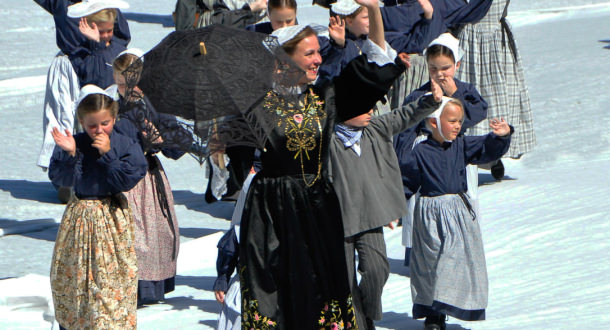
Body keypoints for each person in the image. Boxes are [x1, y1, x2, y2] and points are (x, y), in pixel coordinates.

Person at [238, 0, 394, 326]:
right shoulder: (255, 104)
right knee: (275, 296)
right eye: (309, 53)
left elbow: (375, 66)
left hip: (317, 206)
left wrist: (375, 10)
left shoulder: (325, 96)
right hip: (270, 213)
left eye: (317, 52)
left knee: (323, 289)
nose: (318, 59)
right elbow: (238, 157)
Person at [329, 49, 442, 328]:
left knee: (377, 270)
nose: (370, 112)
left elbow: (404, 116)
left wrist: (429, 101)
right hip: (336, 223)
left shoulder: (375, 128)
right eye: (363, 108)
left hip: (369, 217)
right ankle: (356, 320)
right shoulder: (327, 140)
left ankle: (364, 310)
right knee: (342, 280)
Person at [400, 97, 512, 330]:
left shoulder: (461, 145)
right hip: (429, 214)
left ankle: (444, 307)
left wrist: (500, 136)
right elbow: (405, 182)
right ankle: (434, 314)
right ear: (433, 121)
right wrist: (393, 208)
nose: (457, 126)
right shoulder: (419, 152)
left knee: (452, 261)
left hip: (457, 214)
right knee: (431, 264)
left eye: (460, 121)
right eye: (451, 121)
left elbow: (485, 148)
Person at [48, 84, 148, 329]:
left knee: (108, 283)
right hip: (80, 217)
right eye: (92, 125)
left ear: (113, 118)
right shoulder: (77, 142)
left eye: (105, 123)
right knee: (76, 281)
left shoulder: (124, 144)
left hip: (110, 218)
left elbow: (128, 178)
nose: (99, 130)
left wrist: (108, 155)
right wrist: (70, 154)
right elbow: (61, 179)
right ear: (81, 122)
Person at [395, 32, 487, 266]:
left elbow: (477, 113)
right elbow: (405, 130)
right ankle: (420, 255)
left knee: (460, 200)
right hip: (426, 154)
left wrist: (455, 95)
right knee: (422, 203)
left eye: (445, 67)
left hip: (457, 154)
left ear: (457, 64)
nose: (440, 74)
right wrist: (404, 161)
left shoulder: (465, 92)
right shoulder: (419, 95)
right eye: (434, 68)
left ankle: (460, 252)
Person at [112, 49, 190, 306]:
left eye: (132, 84)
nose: (127, 90)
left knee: (148, 234)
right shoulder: (113, 105)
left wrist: (161, 140)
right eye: (121, 85)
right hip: (120, 177)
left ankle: (146, 288)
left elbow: (180, 145)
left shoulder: (155, 105)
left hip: (145, 177)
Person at [34, 0, 130, 202]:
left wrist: (104, 47)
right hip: (70, 67)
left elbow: (120, 36)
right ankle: (66, 179)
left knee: (99, 119)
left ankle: (100, 175)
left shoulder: (107, 9)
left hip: (100, 66)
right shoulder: (62, 3)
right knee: (64, 121)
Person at [455, 0, 536, 179]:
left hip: (494, 39)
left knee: (496, 100)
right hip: (464, 38)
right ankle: (462, 153)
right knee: (462, 97)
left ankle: (494, 152)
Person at [173, 0, 267, 30]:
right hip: (226, 12)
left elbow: (226, 21)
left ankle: (183, 37)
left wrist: (249, 9)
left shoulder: (260, 6)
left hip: (217, 22)